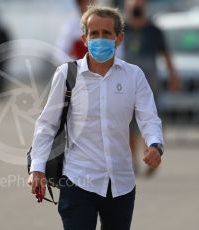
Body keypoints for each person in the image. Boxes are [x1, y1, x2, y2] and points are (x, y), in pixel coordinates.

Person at [28, 5, 164, 230]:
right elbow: (47, 124)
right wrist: (37, 169)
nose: (100, 39)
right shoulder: (67, 74)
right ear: (84, 38)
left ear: (119, 38)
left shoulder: (134, 76)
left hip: (121, 183)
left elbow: (149, 117)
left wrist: (155, 145)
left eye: (107, 33)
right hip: (78, 180)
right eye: (94, 34)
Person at [116, 0, 180, 176]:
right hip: (124, 84)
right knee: (128, 124)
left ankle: (150, 154)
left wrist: (173, 76)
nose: (136, 10)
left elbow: (166, 54)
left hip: (150, 84)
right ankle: (132, 161)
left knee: (148, 119)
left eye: (139, 6)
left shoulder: (154, 30)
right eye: (133, 7)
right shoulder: (122, 29)